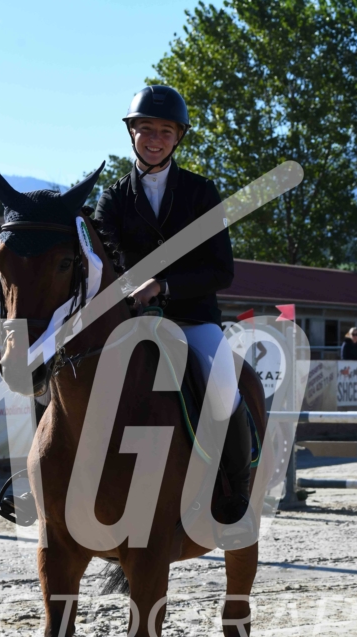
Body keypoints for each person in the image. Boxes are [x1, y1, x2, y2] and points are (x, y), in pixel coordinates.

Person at [94, 84, 250, 524]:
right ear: (132, 132)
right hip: (131, 321)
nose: (155, 139)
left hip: (193, 318)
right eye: (146, 129)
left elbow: (221, 270)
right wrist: (132, 289)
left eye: (165, 131)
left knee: (223, 389)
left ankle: (236, 489)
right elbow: (106, 263)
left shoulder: (201, 192)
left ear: (178, 137)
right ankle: (44, 479)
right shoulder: (113, 198)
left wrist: (163, 286)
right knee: (64, 373)